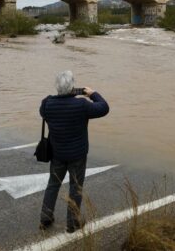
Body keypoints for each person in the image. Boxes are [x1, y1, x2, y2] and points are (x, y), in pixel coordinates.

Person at [39, 70, 109, 233]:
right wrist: (93, 94)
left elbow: (42, 111)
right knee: (75, 187)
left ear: (57, 87)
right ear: (73, 88)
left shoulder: (47, 104)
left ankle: (45, 218)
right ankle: (72, 223)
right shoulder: (81, 105)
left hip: (57, 155)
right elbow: (104, 108)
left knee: (53, 185)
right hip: (77, 155)